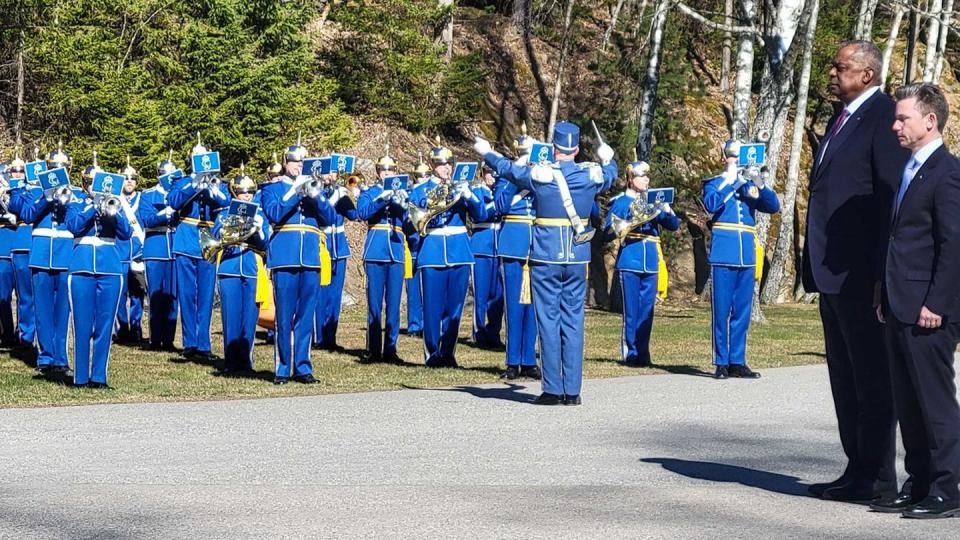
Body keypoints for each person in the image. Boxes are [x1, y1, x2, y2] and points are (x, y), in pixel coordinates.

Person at [803, 40, 908, 502]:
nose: (831, 72)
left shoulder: (884, 118)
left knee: (871, 377)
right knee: (844, 378)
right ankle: (857, 468)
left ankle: (881, 477)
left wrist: (883, 275)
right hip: (831, 274)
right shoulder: (841, 118)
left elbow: (890, 199)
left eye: (840, 67)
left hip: (862, 274)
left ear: (867, 74)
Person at [475, 120, 617, 405]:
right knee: (574, 321)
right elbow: (611, 174)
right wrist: (608, 157)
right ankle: (573, 390)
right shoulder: (591, 175)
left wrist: (487, 152)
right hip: (577, 257)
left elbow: (508, 170)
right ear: (576, 149)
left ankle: (553, 389)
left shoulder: (541, 174)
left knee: (549, 320)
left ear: (553, 149)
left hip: (545, 255)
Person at [870, 83, 960, 519]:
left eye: (903, 118)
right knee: (908, 401)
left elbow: (954, 243)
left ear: (930, 120)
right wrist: (882, 293)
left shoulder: (948, 171)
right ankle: (920, 480)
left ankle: (948, 488)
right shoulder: (909, 168)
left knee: (935, 402)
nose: (895, 125)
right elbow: (897, 239)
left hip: (929, 309)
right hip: (898, 302)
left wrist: (937, 303)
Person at [260, 135, 337, 384]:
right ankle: (283, 368)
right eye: (294, 161)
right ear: (285, 162)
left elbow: (330, 218)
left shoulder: (312, 189)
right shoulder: (272, 189)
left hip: (311, 259)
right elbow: (274, 213)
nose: (298, 165)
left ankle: (302, 366)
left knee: (306, 315)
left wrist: (316, 196)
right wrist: (296, 192)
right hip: (285, 258)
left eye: (302, 161)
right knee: (284, 315)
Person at [702, 144, 779, 380]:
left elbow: (773, 206)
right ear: (724, 157)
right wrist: (732, 181)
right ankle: (721, 361)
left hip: (746, 252)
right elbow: (711, 205)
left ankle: (737, 360)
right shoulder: (714, 182)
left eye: (740, 156)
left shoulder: (749, 185)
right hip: (724, 251)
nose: (737, 160)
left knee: (742, 311)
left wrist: (759, 182)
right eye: (734, 156)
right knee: (721, 310)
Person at [410, 139, 487, 368]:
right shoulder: (420, 190)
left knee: (455, 307)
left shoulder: (462, 187)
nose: (447, 168)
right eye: (442, 165)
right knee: (432, 306)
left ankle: (449, 352)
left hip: (459, 250)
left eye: (449, 164)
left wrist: (469, 196)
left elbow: (480, 214)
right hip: (432, 249)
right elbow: (414, 218)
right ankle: (432, 353)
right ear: (433, 166)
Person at [604, 160, 679, 367]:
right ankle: (631, 353)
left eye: (647, 176)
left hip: (650, 260)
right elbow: (607, 232)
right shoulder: (620, 202)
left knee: (647, 310)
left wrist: (666, 209)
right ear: (630, 179)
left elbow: (674, 225)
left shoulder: (652, 201)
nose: (646, 179)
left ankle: (643, 352)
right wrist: (626, 222)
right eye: (641, 176)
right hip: (630, 257)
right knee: (631, 310)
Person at [65, 165, 133, 388]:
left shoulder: (115, 204)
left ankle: (99, 377)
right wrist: (93, 207)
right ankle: (80, 377)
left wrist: (113, 211)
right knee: (82, 324)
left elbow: (126, 233)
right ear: (86, 185)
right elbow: (74, 226)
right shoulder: (76, 203)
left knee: (105, 325)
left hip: (110, 267)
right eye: (92, 183)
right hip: (82, 266)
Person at [19, 142, 84, 376]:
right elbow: (26, 215)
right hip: (41, 255)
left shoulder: (75, 193)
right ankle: (45, 356)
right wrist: (47, 197)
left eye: (62, 167)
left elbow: (78, 223)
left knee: (63, 310)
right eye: (54, 166)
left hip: (66, 255)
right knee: (43, 309)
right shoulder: (36, 191)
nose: (58, 170)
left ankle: (61, 356)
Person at [167, 136, 231, 362]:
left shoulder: (217, 183)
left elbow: (225, 202)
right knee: (187, 293)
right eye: (197, 159)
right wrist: (195, 184)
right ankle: (190, 342)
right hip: (187, 237)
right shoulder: (182, 181)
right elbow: (174, 201)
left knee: (205, 294)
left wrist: (211, 189)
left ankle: (203, 343)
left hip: (208, 236)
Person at [492, 127, 539, 380]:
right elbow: (499, 206)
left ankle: (529, 359)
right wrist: (514, 174)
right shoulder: (506, 176)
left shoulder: (539, 175)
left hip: (536, 245)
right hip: (512, 242)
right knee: (513, 304)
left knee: (533, 305)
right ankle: (512, 360)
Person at [356, 147, 410, 364]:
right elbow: (362, 212)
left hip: (396, 250)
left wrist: (402, 202)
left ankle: (391, 348)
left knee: (394, 304)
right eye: (383, 171)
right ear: (378, 172)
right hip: (376, 250)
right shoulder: (370, 191)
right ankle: (373, 348)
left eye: (391, 171)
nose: (387, 174)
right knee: (374, 303)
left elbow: (408, 219)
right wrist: (382, 199)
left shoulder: (402, 192)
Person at [214, 169, 269, 374]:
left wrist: (258, 229)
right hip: (229, 265)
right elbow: (215, 236)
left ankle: (246, 362)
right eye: (242, 193)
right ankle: (230, 362)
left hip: (252, 266)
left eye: (250, 192)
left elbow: (265, 244)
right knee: (230, 316)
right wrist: (225, 227)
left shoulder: (261, 214)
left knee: (249, 317)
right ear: (234, 194)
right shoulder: (223, 213)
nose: (247, 196)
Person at [137, 152, 180, 351]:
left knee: (172, 294)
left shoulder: (179, 194)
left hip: (173, 244)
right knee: (155, 294)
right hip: (156, 245)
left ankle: (169, 337)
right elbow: (146, 220)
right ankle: (155, 337)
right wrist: (164, 213)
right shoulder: (148, 195)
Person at [313, 167, 357, 351]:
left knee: (335, 295)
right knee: (320, 294)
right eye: (327, 172)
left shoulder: (340, 192)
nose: (331, 176)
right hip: (322, 246)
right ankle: (318, 337)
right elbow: (323, 214)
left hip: (339, 247)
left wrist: (353, 196)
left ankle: (331, 337)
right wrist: (336, 197)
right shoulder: (315, 191)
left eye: (334, 173)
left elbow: (354, 216)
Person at [469, 164, 504, 349]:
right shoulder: (476, 191)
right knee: (481, 294)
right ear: (483, 174)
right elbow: (479, 214)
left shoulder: (500, 190)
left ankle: (494, 332)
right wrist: (498, 201)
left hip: (499, 246)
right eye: (489, 173)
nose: (493, 177)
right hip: (481, 244)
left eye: (495, 173)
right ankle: (479, 332)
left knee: (497, 294)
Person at [4, 152, 36, 352]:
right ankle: (15, 334)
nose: (17, 174)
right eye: (14, 170)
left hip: (29, 240)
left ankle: (30, 335)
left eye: (21, 170)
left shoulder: (32, 189)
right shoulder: (7, 189)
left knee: (30, 294)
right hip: (11, 241)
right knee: (13, 295)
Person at [114, 157, 146, 344]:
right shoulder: (115, 200)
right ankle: (122, 327)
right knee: (120, 293)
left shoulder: (143, 198)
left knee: (137, 293)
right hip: (120, 251)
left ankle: (136, 327)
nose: (129, 181)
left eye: (132, 178)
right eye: (125, 178)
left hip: (139, 252)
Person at [403, 153, 431, 337]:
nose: (424, 179)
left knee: (429, 288)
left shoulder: (433, 191)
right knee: (413, 288)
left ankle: (429, 323)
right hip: (413, 245)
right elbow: (405, 219)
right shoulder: (410, 193)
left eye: (426, 175)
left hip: (428, 244)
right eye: (420, 176)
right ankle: (414, 324)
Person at [0, 164, 17, 347]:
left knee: (25, 296)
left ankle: (24, 335)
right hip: (2, 246)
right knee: (2, 295)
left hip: (20, 244)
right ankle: (6, 333)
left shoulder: (19, 188)